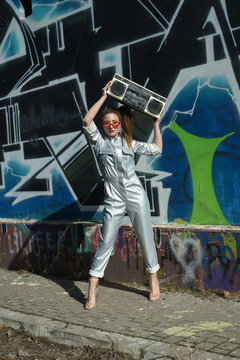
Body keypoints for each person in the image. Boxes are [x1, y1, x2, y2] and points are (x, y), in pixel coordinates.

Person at [83, 81, 163, 309]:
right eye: (107, 123)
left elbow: (157, 149)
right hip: (113, 197)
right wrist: (104, 97)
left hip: (135, 193)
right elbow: (87, 120)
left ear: (120, 124)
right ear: (104, 125)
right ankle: (93, 284)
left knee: (145, 235)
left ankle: (153, 278)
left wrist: (156, 124)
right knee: (106, 239)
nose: (111, 126)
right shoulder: (98, 142)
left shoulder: (129, 142)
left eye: (114, 122)